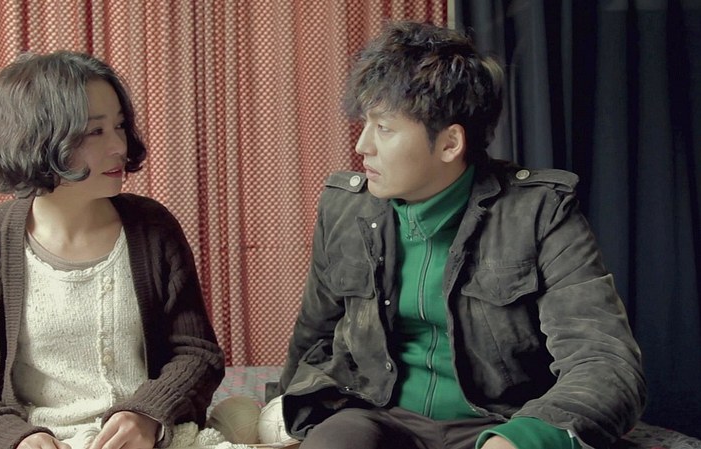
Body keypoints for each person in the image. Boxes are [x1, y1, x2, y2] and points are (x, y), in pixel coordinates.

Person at [276, 21, 646, 449]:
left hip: (499, 424)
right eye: (366, 124)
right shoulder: (344, 208)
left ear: (450, 143)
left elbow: (605, 361)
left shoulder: (540, 212)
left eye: (385, 128)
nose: (362, 146)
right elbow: (313, 339)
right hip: (374, 416)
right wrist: (280, 414)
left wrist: (522, 439)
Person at [0, 51, 225, 449]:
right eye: (94, 132)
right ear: (38, 139)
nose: (118, 146)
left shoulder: (154, 228)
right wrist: (14, 438)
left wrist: (148, 413)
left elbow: (197, 353)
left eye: (119, 125)